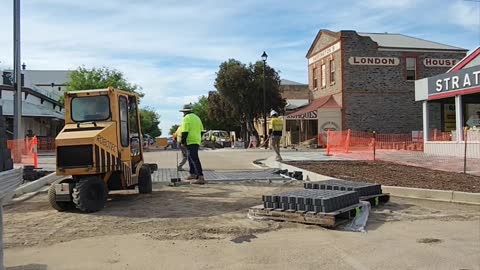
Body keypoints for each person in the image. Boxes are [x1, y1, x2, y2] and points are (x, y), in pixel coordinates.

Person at [180, 104, 205, 184]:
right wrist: (198, 138)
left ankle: (200, 177)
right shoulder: (197, 118)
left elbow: (184, 132)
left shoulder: (186, 118)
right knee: (190, 157)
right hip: (196, 140)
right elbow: (202, 131)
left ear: (185, 112)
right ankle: (193, 174)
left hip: (190, 141)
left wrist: (183, 142)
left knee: (194, 158)